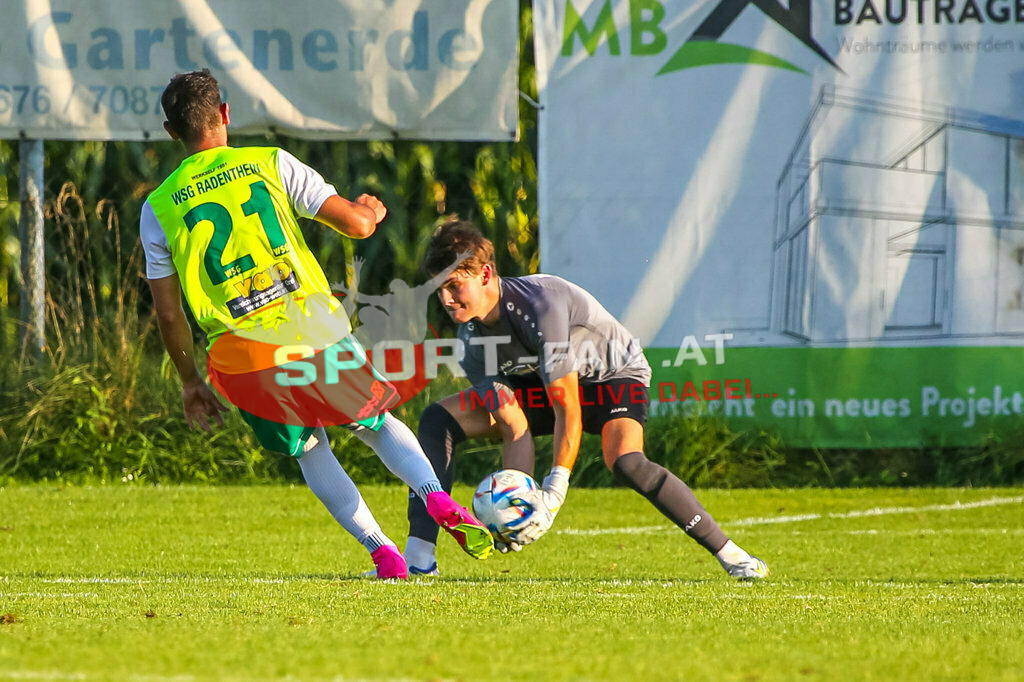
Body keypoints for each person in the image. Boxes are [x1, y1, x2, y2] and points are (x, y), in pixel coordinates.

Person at [139, 70, 492, 580]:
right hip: (314, 334)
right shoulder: (269, 163)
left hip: (244, 358)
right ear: (225, 114)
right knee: (376, 424)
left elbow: (169, 314)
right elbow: (356, 225)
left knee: (309, 451)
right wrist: (369, 211)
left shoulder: (157, 208)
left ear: (172, 132)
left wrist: (191, 381)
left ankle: (384, 555)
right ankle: (434, 496)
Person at [403, 218, 769, 580]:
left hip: (613, 377)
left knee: (627, 461)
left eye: (454, 285)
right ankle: (419, 558)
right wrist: (518, 510)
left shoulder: (540, 305)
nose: (446, 299)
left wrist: (553, 494)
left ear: (485, 274)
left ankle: (731, 554)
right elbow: (515, 428)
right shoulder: (471, 341)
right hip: (545, 385)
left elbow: (568, 409)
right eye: (439, 289)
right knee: (438, 419)